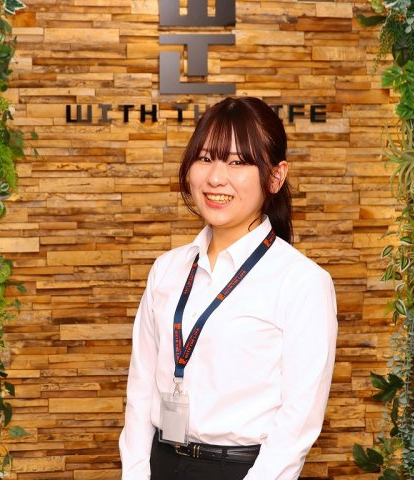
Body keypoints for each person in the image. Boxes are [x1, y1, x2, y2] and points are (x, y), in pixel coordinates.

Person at [119, 96, 338, 480]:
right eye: (205, 158)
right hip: (161, 463)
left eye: (237, 162)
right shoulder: (167, 270)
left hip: (241, 470)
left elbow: (298, 421)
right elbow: (140, 392)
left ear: (276, 176)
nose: (216, 178)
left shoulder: (302, 282)